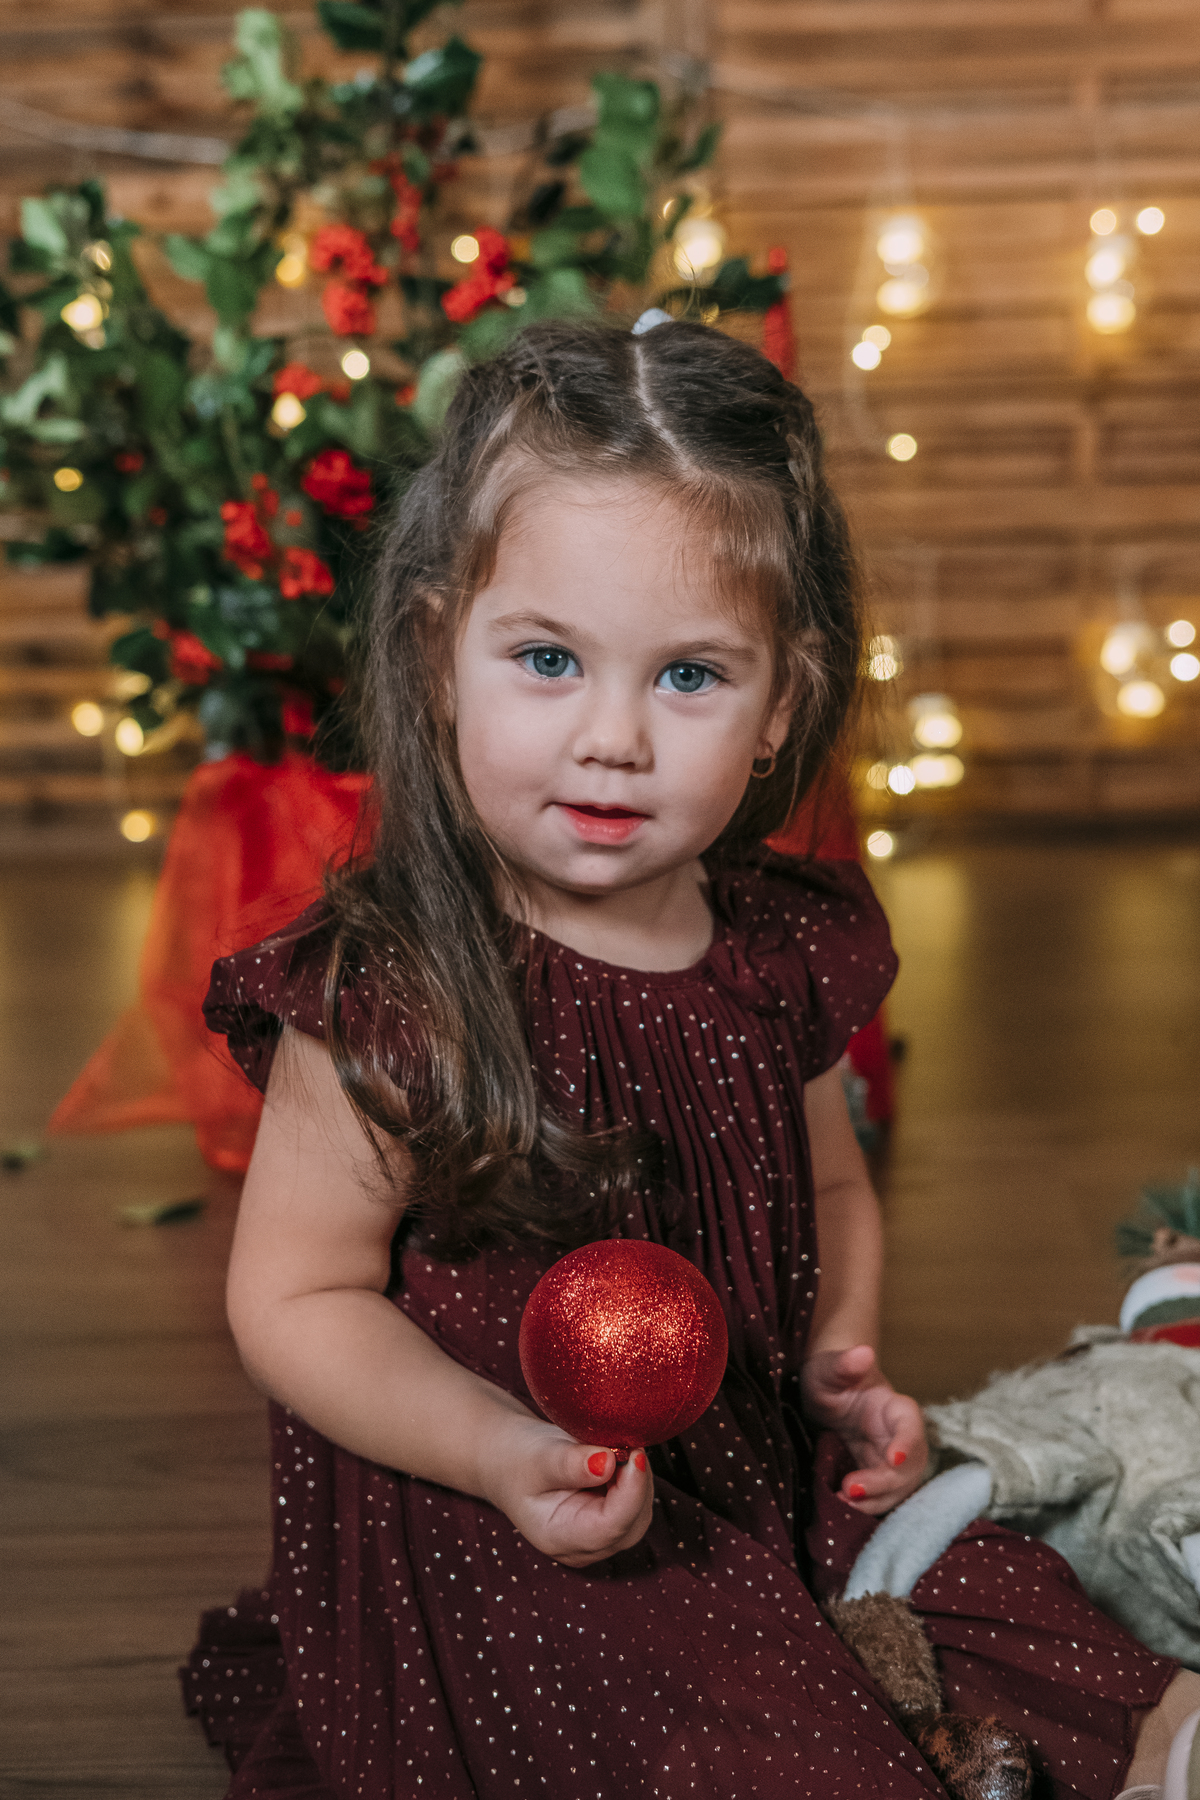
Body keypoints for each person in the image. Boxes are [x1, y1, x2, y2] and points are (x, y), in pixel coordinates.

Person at [182, 320, 1197, 1799]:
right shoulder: (389, 993)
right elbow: (294, 1300)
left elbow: (830, 1193)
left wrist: (841, 1365)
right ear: (440, 652)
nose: (613, 739)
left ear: (781, 702)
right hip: (504, 1512)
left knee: (1009, 1601)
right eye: (547, 660)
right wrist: (499, 1454)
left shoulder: (777, 949)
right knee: (716, 1715)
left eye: (689, 678)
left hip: (754, 1464)